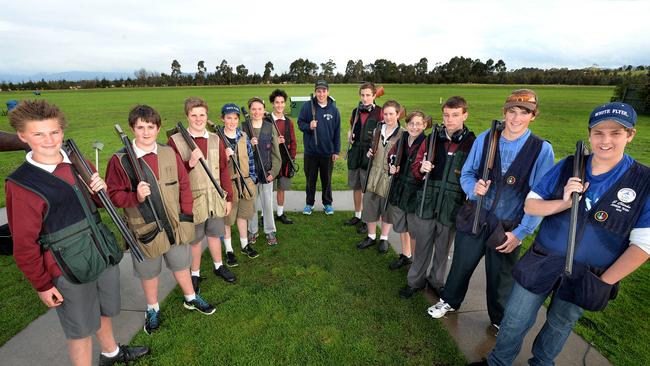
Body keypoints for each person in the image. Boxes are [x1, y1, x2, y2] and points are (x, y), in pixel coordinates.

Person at [481, 102, 650, 366]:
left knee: (560, 324)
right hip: (542, 260)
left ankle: (541, 363)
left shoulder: (643, 181)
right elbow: (531, 205)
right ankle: (497, 362)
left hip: (590, 274)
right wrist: (564, 202)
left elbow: (643, 245)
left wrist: (604, 282)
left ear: (630, 135)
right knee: (514, 318)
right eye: (599, 133)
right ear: (590, 134)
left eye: (615, 133)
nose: (606, 140)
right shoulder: (570, 165)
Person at [5, 100, 149, 366]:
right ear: (23, 136)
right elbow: (24, 244)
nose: (49, 140)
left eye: (55, 132)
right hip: (66, 267)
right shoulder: (22, 184)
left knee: (105, 311)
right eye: (38, 134)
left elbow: (98, 202)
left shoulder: (76, 163)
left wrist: (98, 190)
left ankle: (110, 353)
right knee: (80, 330)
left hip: (100, 252)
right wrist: (43, 284)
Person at [428, 89, 555, 329]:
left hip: (509, 226)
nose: (516, 118)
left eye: (523, 113)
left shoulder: (541, 149)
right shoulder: (486, 138)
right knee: (461, 265)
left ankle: (498, 320)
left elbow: (540, 195)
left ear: (533, 116)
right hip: (475, 215)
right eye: (512, 112)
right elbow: (467, 173)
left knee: (501, 278)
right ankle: (449, 301)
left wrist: (522, 232)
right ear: (504, 112)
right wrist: (472, 187)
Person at [107, 104, 218, 337]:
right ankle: (152, 308)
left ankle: (190, 297)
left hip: (175, 223)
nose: (145, 132)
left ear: (157, 129)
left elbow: (184, 184)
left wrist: (187, 215)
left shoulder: (168, 152)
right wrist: (134, 196)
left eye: (150, 127)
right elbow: (113, 195)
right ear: (132, 128)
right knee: (149, 272)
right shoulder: (120, 160)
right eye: (140, 127)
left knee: (180, 263)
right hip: (144, 227)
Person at [400, 97, 476, 299]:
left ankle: (436, 282)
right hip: (427, 200)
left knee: (443, 249)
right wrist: (421, 168)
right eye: (446, 115)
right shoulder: (431, 139)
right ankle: (414, 281)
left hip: (451, 205)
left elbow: (476, 175)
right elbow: (416, 168)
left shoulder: (472, 144)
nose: (449, 120)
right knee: (422, 245)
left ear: (464, 115)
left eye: (455, 115)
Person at [168, 97, 236, 290]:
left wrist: (228, 197)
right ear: (187, 116)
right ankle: (195, 273)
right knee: (195, 240)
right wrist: (189, 164)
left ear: (207, 116)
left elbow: (223, 170)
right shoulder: (176, 141)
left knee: (215, 234)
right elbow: (173, 175)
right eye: (194, 115)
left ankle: (218, 266)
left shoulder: (215, 139)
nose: (198, 119)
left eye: (202, 115)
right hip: (192, 201)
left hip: (215, 197)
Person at [356, 100, 405, 253]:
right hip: (373, 174)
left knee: (387, 210)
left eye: (391, 114)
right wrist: (369, 153)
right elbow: (372, 149)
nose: (388, 117)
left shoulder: (402, 134)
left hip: (389, 178)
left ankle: (384, 238)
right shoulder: (378, 129)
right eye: (385, 114)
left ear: (398, 114)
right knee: (370, 205)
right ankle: (371, 236)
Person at [385, 110, 428, 270]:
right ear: (406, 125)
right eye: (411, 123)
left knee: (414, 230)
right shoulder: (403, 138)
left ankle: (416, 264)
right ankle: (406, 254)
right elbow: (392, 155)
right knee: (401, 225)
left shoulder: (427, 142)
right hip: (400, 188)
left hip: (415, 192)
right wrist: (392, 165)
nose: (414, 127)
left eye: (418, 124)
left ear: (424, 125)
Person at [219, 103, 259, 260]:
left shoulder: (243, 136)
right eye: (229, 118)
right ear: (223, 119)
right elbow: (214, 165)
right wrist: (224, 155)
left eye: (235, 118)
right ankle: (229, 250)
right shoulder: (218, 139)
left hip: (245, 183)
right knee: (227, 220)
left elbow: (250, 159)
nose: (232, 122)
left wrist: (252, 178)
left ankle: (244, 245)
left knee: (243, 216)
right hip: (228, 185)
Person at [297, 80, 341, 215]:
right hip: (311, 152)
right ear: (315, 91)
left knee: (326, 180)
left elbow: (337, 132)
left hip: (327, 152)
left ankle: (327, 203)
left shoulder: (334, 110)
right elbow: (300, 123)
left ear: (328, 92)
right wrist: (309, 126)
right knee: (310, 180)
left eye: (323, 91)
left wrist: (336, 150)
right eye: (318, 91)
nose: (321, 94)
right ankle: (309, 204)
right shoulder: (307, 106)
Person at [345, 82, 383, 234]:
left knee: (368, 190)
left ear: (374, 96)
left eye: (368, 95)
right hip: (356, 152)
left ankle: (368, 221)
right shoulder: (356, 111)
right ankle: (358, 216)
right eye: (362, 95)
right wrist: (350, 134)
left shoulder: (380, 112)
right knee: (356, 186)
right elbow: (353, 128)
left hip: (371, 154)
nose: (365, 98)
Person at [245, 96, 281, 245]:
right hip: (250, 174)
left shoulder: (269, 126)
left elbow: (276, 154)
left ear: (264, 110)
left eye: (259, 109)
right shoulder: (244, 127)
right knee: (251, 204)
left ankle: (270, 230)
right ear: (249, 111)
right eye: (253, 109)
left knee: (267, 203)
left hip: (266, 173)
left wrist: (273, 173)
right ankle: (252, 231)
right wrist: (248, 143)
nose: (256, 112)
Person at [268, 89, 297, 225]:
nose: (279, 105)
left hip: (285, 160)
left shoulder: (288, 122)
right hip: (270, 160)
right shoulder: (266, 121)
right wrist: (274, 141)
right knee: (267, 190)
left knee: (281, 188)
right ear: (272, 104)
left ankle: (280, 213)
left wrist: (292, 158)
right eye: (277, 102)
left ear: (285, 104)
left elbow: (293, 141)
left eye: (282, 102)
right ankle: (266, 215)